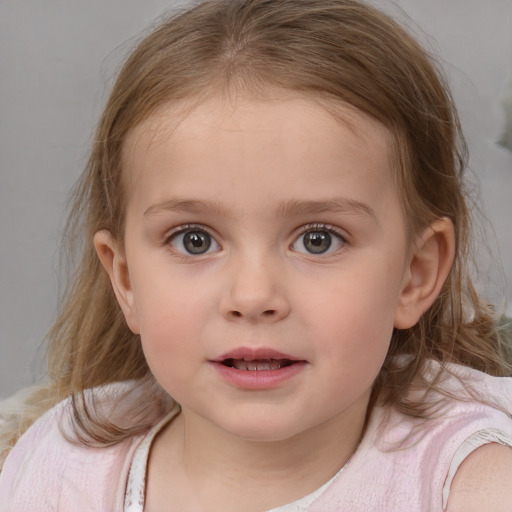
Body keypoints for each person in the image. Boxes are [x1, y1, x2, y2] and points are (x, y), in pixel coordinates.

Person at [1, 0, 512, 510]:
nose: (252, 296)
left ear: (414, 275)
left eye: (318, 239)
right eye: (194, 240)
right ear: (127, 279)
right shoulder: (65, 468)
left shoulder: (470, 480)